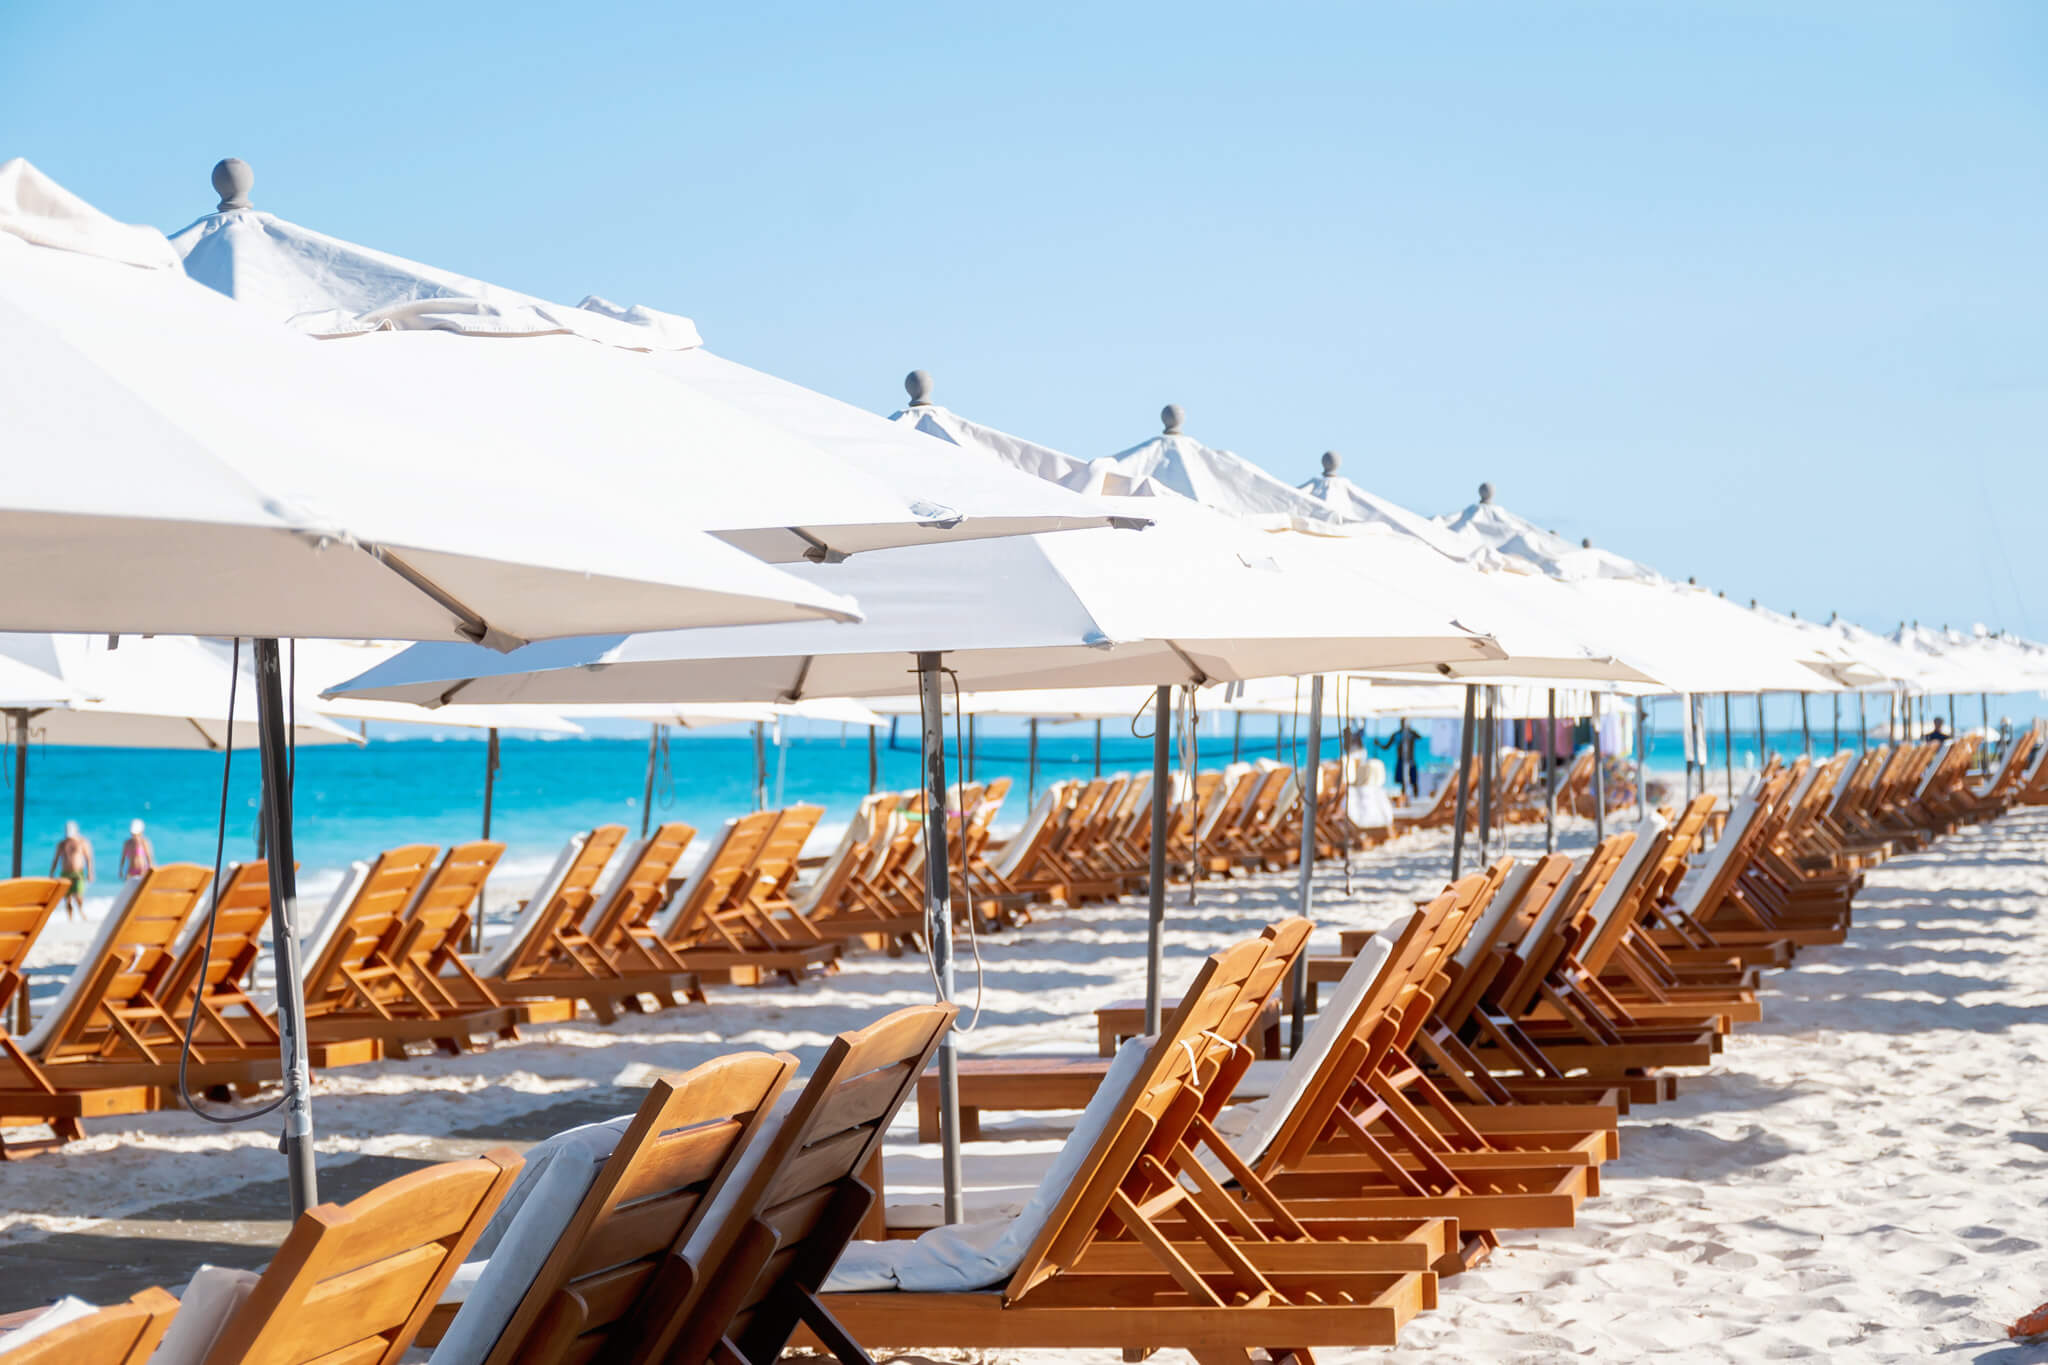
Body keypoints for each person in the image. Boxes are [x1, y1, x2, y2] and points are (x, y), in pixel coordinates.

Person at [49, 821, 93, 919]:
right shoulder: (62, 844)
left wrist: (90, 872)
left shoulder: (82, 842)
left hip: (78, 873)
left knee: (78, 895)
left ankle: (81, 912)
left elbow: (88, 858)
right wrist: (51, 873)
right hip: (65, 873)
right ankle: (70, 918)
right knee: (67, 898)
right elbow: (56, 859)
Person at [1376, 719, 1421, 798]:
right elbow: (1386, 747)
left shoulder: (1410, 733)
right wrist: (1378, 744)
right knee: (1403, 782)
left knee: (1414, 781)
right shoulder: (1397, 735)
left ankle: (1416, 798)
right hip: (1401, 760)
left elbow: (1419, 737)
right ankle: (1404, 798)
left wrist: (1409, 731)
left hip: (1411, 761)